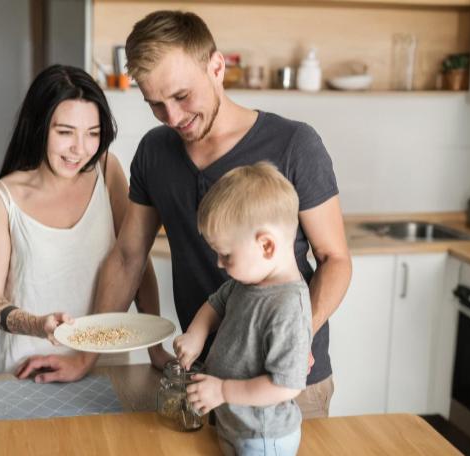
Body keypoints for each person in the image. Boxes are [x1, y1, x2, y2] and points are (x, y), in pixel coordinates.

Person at [46, 10, 353, 418]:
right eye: (155, 104)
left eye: (181, 96)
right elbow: (127, 257)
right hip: (204, 377)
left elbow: (336, 260)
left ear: (216, 67)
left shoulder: (294, 144)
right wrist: (85, 356)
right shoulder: (155, 152)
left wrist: (294, 340)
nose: (173, 118)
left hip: (285, 382)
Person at [0, 64, 172, 381]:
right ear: (39, 127)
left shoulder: (107, 171)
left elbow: (134, 260)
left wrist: (155, 349)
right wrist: (37, 324)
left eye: (92, 134)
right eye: (65, 132)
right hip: (28, 366)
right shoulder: (0, 201)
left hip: (104, 365)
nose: (80, 149)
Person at [173, 162, 312, 456]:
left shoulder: (288, 307)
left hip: (263, 437)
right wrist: (196, 334)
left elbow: (285, 387)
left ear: (266, 246)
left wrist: (223, 391)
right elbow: (216, 303)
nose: (219, 264)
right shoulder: (249, 281)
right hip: (235, 424)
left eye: (225, 254)